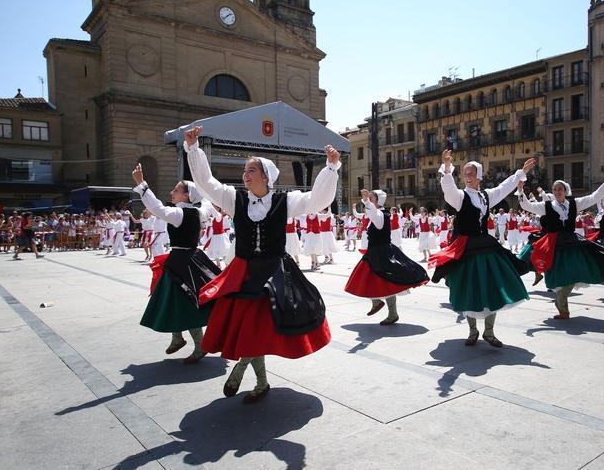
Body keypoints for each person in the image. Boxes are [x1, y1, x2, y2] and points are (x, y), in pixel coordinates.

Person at [183, 125, 338, 403]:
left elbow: (318, 200)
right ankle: (262, 382)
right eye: (245, 170)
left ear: (266, 176)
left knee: (261, 328)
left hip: (273, 274)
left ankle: (243, 368)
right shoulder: (234, 198)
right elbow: (206, 183)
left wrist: (330, 169)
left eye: (251, 170)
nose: (245, 174)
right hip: (243, 273)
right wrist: (194, 150)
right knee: (249, 329)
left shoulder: (285, 201)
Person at [430, 150, 535, 347]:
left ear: (479, 176)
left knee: (493, 285)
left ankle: (489, 331)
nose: (467, 177)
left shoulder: (487, 196)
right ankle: (472, 331)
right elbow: (449, 190)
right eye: (465, 174)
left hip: (486, 245)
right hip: (466, 248)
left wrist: (521, 172)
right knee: (467, 288)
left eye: (471, 174)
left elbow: (505, 187)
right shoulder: (460, 197)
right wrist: (446, 169)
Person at [131, 163, 220, 364]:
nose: (172, 192)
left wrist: (142, 185)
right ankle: (178, 338)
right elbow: (205, 199)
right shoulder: (200, 211)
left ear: (186, 196)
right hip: (191, 259)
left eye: (176, 190)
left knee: (185, 302)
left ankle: (199, 345)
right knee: (175, 299)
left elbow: (156, 208)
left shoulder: (180, 214)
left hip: (182, 262)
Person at [518, 170, 604, 319]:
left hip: (571, 242)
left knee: (574, 273)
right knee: (558, 275)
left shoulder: (574, 203)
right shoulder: (546, 206)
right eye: (555, 189)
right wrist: (520, 190)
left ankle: (561, 301)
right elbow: (526, 206)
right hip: (554, 245)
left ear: (565, 191)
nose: (557, 191)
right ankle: (563, 308)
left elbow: (594, 197)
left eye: (560, 189)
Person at [345, 189, 429, 325]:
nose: (369, 199)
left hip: (380, 252)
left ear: (379, 201)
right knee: (368, 277)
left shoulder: (380, 215)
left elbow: (374, 215)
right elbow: (372, 214)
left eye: (372, 198)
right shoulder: (378, 214)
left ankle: (387, 310)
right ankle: (379, 303)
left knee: (385, 280)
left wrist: (366, 201)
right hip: (375, 252)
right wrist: (366, 202)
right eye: (369, 198)